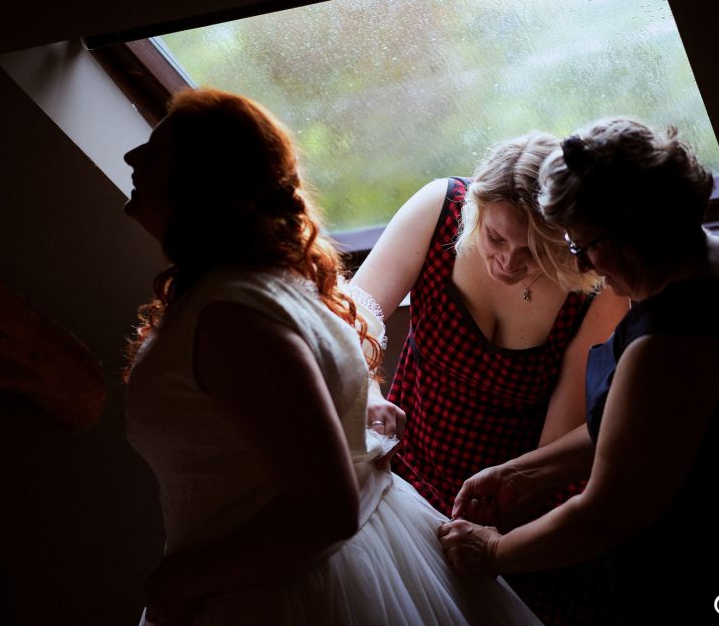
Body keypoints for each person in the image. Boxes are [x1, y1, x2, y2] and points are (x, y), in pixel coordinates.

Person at [121, 87, 543, 626]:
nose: (133, 158)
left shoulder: (233, 319)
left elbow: (326, 508)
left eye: (154, 154)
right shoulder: (273, 280)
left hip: (276, 592)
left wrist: (181, 580)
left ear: (201, 184)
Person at [438, 118, 719, 623]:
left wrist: (492, 552)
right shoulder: (706, 260)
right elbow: (642, 429)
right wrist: (521, 474)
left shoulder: (675, 344)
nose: (586, 267)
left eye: (581, 246)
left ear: (629, 236)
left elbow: (603, 516)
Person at [351, 132, 629, 623]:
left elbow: (558, 442)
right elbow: (353, 320)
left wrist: (497, 529)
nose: (507, 262)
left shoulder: (595, 288)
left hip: (514, 497)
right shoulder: (440, 207)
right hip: (408, 471)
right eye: (496, 238)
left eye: (535, 252)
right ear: (476, 209)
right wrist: (369, 391)